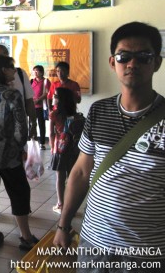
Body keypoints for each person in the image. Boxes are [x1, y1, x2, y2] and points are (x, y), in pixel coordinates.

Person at [54, 22, 165, 270]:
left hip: (147, 251)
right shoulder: (99, 111)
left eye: (143, 57)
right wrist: (63, 224)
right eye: (124, 56)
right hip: (94, 243)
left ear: (157, 62)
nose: (132, 64)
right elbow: (81, 172)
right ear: (112, 62)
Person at [0, 55, 39, 251]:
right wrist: (21, 148)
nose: (14, 71)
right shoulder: (12, 95)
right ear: (4, 70)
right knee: (19, 192)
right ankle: (26, 237)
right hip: (9, 154)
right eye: (12, 67)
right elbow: (21, 127)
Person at [0, 44, 37, 139]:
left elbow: (29, 101)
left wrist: (33, 123)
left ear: (6, 55)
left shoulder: (20, 73)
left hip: (16, 134)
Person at [48, 87, 84, 215]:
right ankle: (71, 206)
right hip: (74, 150)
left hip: (60, 149)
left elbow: (51, 134)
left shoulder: (54, 115)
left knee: (60, 178)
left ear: (60, 100)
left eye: (55, 96)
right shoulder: (76, 115)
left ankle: (61, 204)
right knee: (72, 178)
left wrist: (52, 148)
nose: (53, 97)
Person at [31, 65, 51, 150]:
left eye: (37, 71)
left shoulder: (46, 81)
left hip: (41, 106)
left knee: (41, 125)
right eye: (34, 71)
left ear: (42, 72)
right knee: (32, 124)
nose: (35, 73)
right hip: (32, 106)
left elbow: (47, 93)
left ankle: (42, 143)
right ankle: (32, 141)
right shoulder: (31, 81)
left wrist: (38, 99)